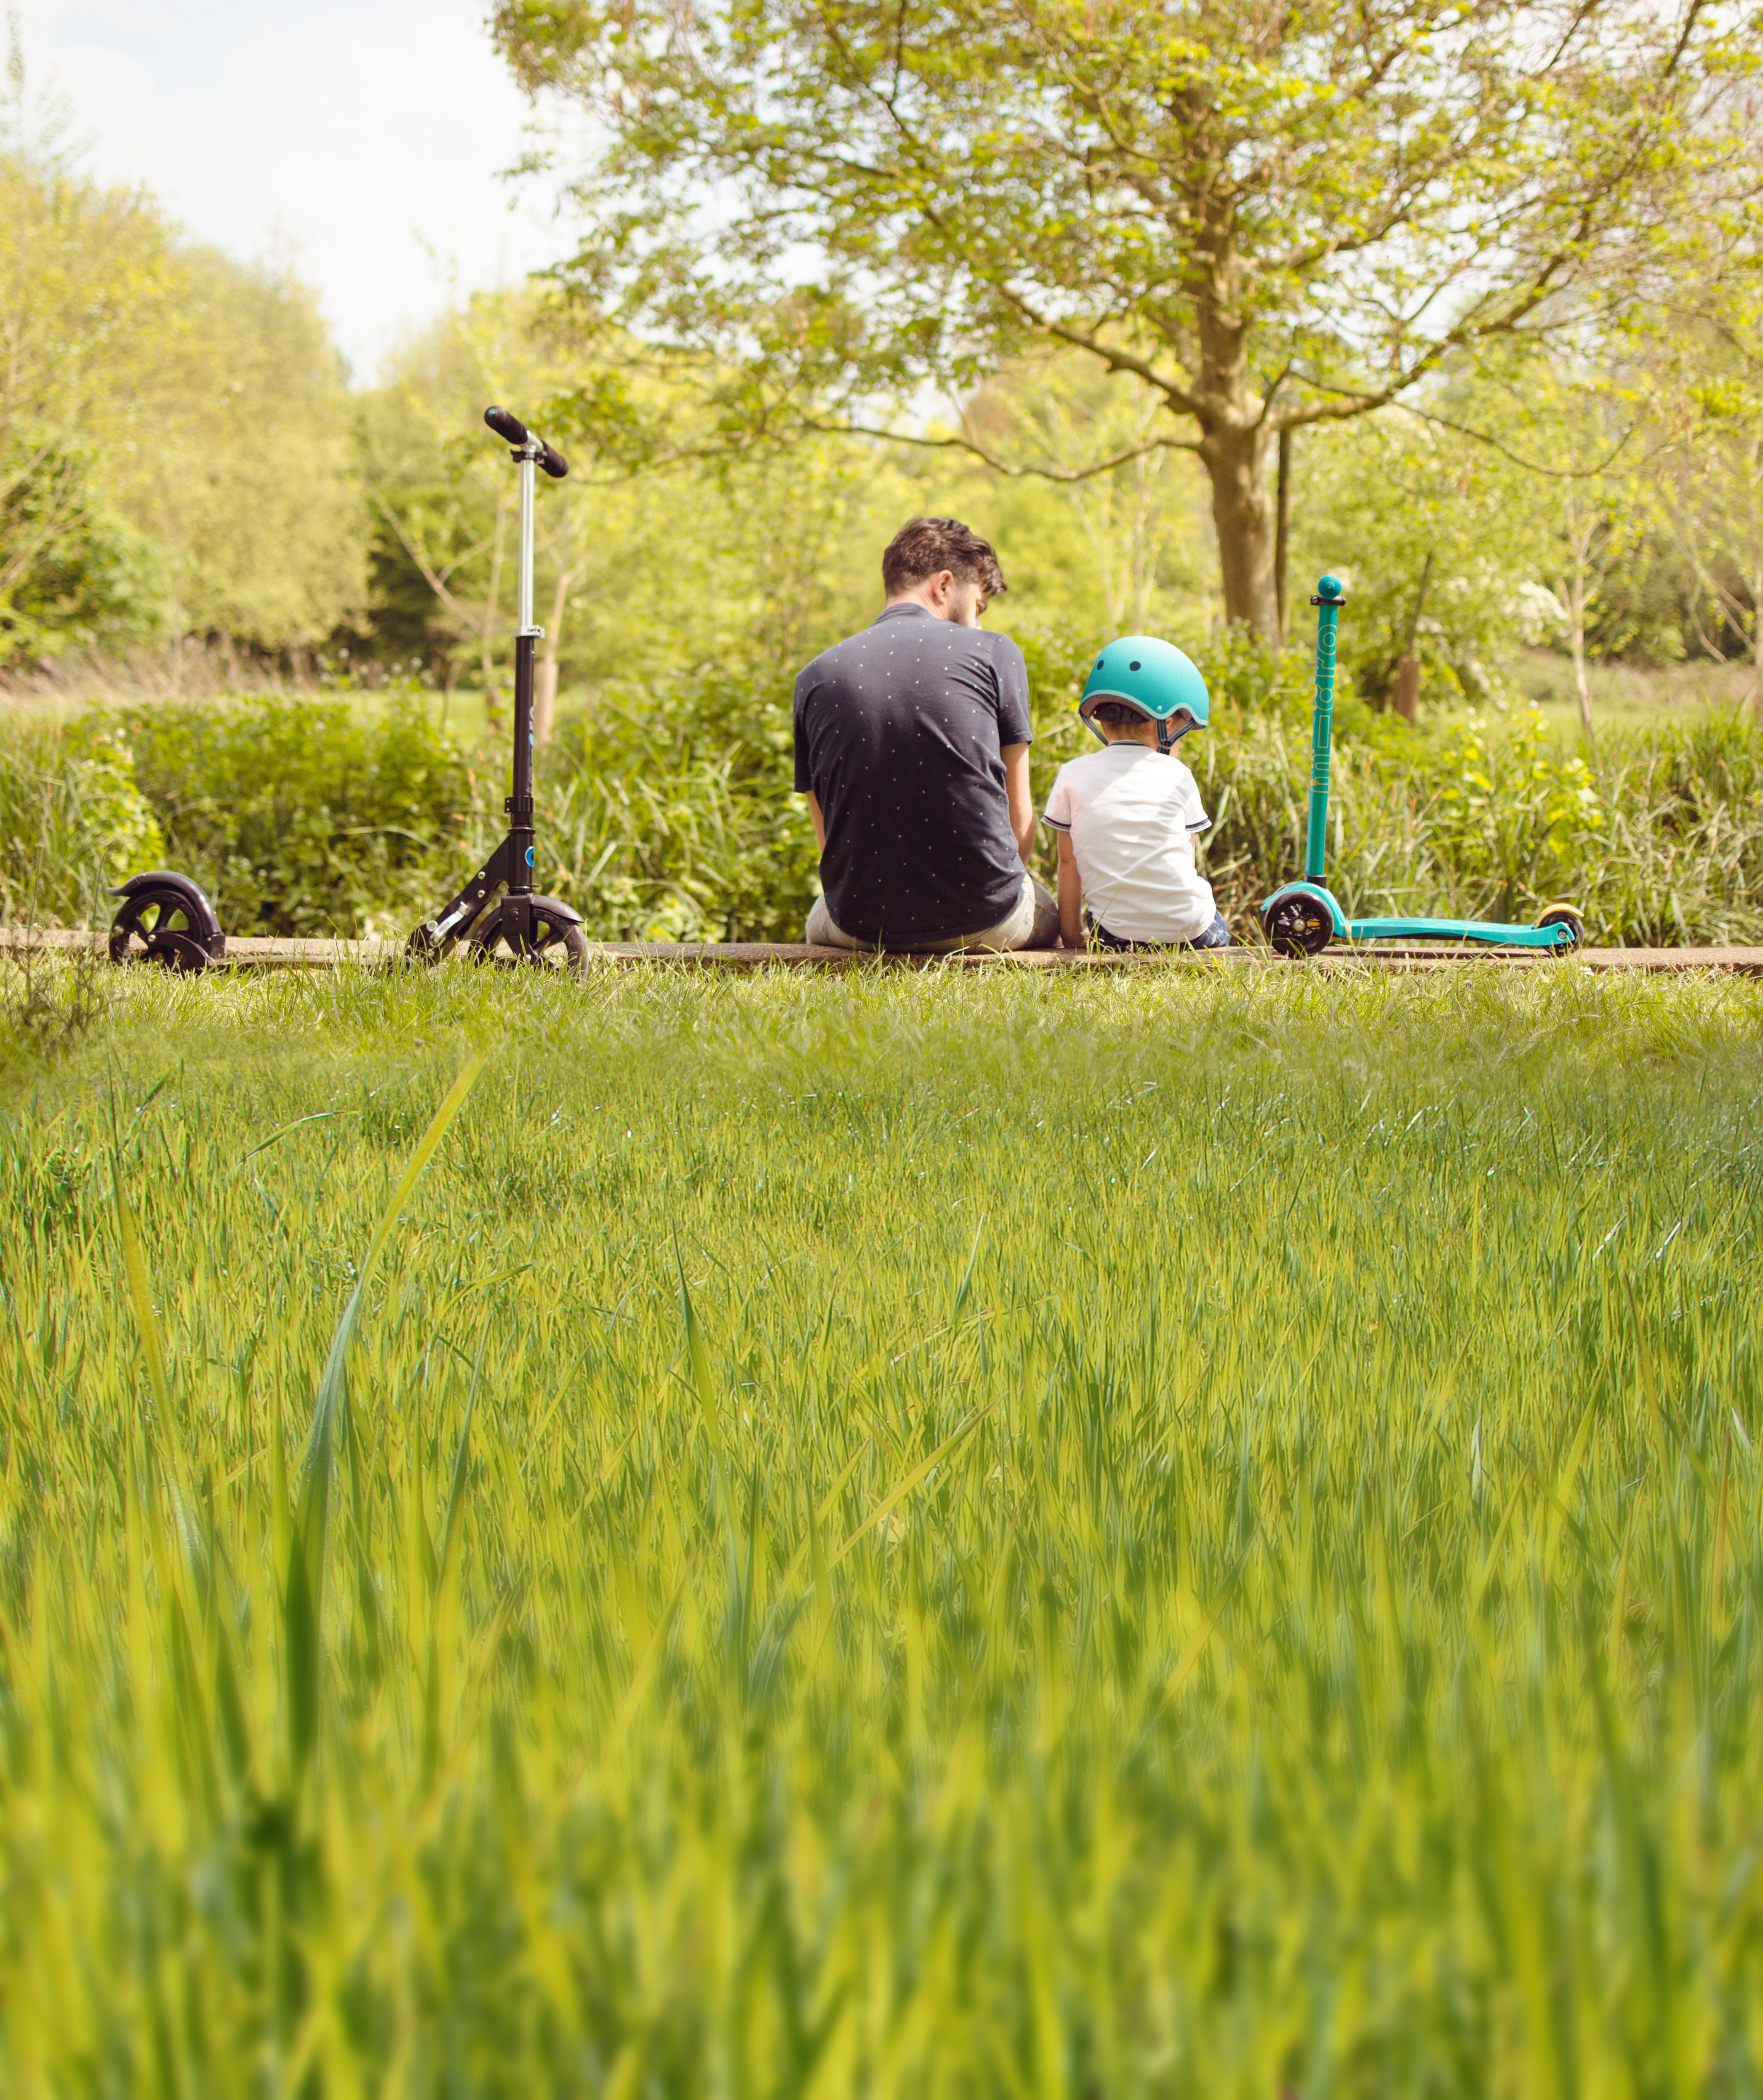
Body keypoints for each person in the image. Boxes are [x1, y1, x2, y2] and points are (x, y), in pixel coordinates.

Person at [795, 517, 1059, 951]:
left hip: (859, 929)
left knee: (817, 916)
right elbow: (1019, 821)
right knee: (1044, 905)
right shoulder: (993, 651)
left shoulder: (813, 676)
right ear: (944, 585)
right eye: (977, 606)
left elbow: (828, 847)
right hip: (987, 922)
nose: (975, 624)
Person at [1042, 635, 1231, 952]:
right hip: (1190, 934)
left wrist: (1073, 939)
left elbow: (1067, 863)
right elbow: (1188, 861)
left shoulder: (1072, 774)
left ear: (1101, 719)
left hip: (1116, 936)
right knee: (1209, 917)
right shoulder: (1179, 775)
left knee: (1101, 918)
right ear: (1168, 721)